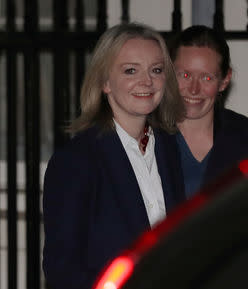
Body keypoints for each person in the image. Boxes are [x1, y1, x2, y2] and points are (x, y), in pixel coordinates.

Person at [42, 22, 185, 289]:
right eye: (131, 70)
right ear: (105, 82)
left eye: (156, 70)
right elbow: (62, 271)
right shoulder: (75, 161)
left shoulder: (169, 148)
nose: (147, 81)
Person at [168, 25, 248, 198]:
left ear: (224, 80)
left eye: (206, 78)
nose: (194, 89)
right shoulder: (146, 136)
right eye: (185, 75)